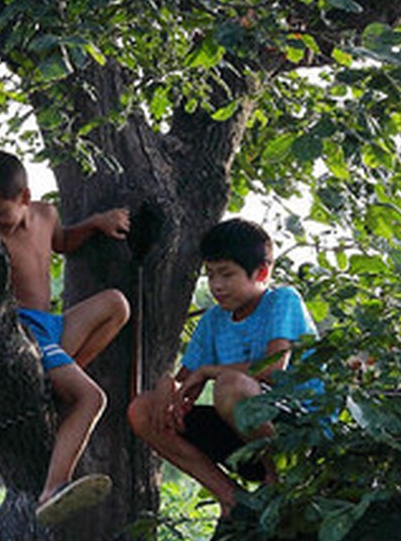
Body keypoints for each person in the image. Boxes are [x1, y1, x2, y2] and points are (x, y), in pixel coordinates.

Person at [126, 217, 316, 517]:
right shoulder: (213, 320)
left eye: (227, 275)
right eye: (211, 275)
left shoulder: (283, 300)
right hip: (242, 434)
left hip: (298, 433)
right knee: (143, 410)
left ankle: (280, 483)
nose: (217, 286)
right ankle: (233, 501)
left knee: (230, 385)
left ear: (261, 272)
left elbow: (274, 368)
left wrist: (211, 372)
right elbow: (185, 385)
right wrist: (169, 386)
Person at [0, 150, 132, 526]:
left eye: (1, 214)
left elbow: (63, 241)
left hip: (51, 326)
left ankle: (61, 378)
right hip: (24, 330)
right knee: (92, 398)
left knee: (116, 304)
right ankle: (54, 488)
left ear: (26, 199)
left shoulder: (46, 214)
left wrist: (97, 223)